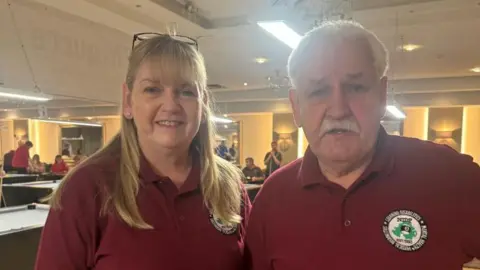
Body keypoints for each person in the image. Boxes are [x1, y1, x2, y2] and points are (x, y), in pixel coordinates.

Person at [245, 20, 480, 270]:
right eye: (318, 91)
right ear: (296, 107)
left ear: (382, 95)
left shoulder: (449, 175)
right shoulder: (273, 197)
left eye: (356, 87)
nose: (338, 109)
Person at [36, 34, 250, 270]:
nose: (170, 105)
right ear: (128, 101)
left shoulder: (228, 185)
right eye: (152, 89)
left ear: (203, 104)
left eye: (186, 91)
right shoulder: (86, 189)